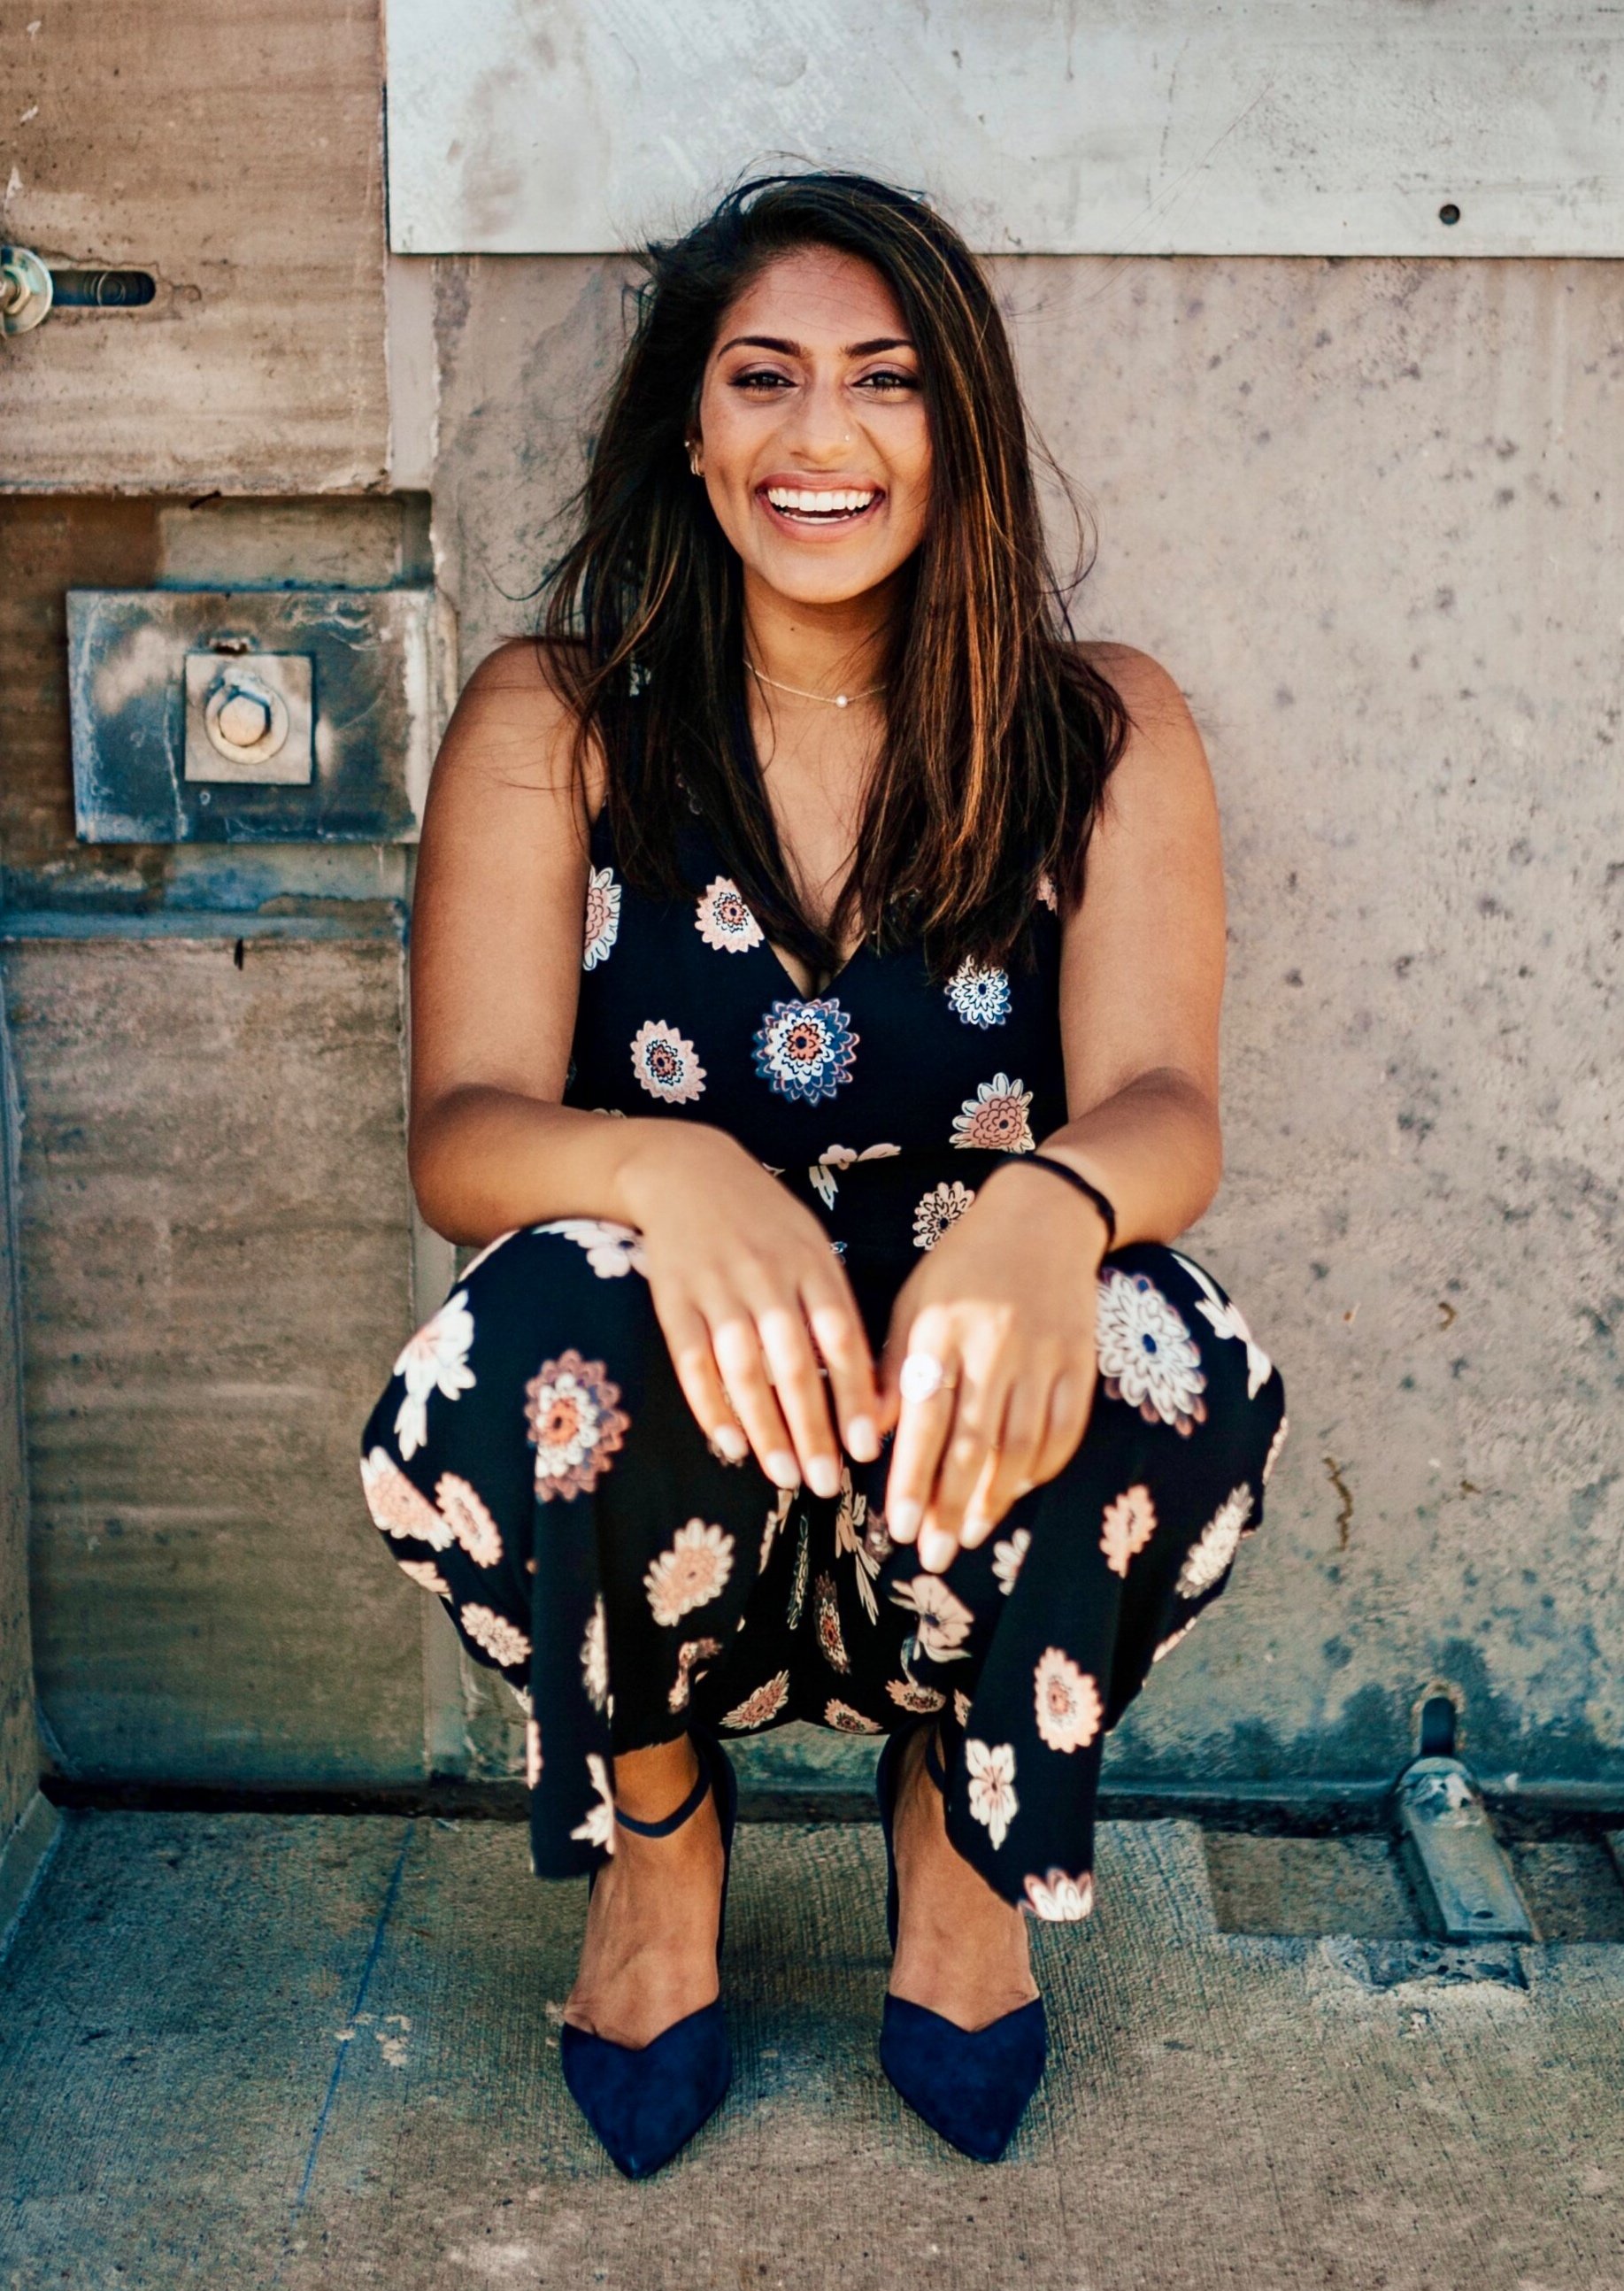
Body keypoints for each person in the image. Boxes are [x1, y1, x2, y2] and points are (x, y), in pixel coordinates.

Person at [361, 171, 1287, 2177]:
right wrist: (666, 1171)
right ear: (690, 435)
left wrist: (1050, 1207)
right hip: (687, 1445)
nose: (820, 436)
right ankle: (663, 1831)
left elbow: (1162, 1102)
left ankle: (967, 1825)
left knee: (1171, 1353)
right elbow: (466, 1137)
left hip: (967, 1427)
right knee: (520, 1331)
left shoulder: (1103, 726)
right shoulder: (561, 719)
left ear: (955, 428)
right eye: (761, 379)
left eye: (882, 381)